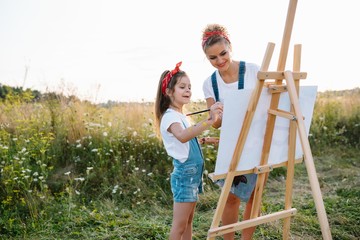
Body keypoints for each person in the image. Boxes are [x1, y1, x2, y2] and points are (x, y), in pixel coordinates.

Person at [201, 23, 260, 240]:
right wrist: (215, 113)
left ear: (230, 47)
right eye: (213, 58)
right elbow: (215, 124)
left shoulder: (253, 70)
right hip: (232, 145)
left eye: (223, 54)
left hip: (259, 141)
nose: (220, 61)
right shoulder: (209, 83)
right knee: (231, 196)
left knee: (255, 195)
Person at [154, 61, 223, 240]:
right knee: (179, 226)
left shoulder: (180, 116)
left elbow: (186, 141)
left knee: (188, 221)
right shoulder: (169, 117)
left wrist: (205, 140)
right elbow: (183, 136)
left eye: (189, 87)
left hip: (192, 174)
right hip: (185, 174)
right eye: (182, 87)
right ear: (168, 92)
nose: (188, 90)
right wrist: (210, 120)